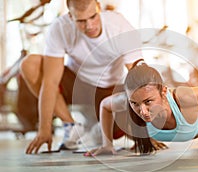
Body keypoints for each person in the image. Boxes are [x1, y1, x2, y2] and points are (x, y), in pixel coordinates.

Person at [21, 0, 147, 154]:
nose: (89, 26)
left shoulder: (119, 26)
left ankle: (97, 126)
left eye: (93, 17)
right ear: (70, 16)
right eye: (80, 21)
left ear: (99, 8)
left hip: (109, 89)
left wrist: (144, 133)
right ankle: (70, 125)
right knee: (30, 64)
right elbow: (50, 83)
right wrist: (44, 129)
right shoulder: (60, 28)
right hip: (77, 83)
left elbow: (138, 78)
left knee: (120, 131)